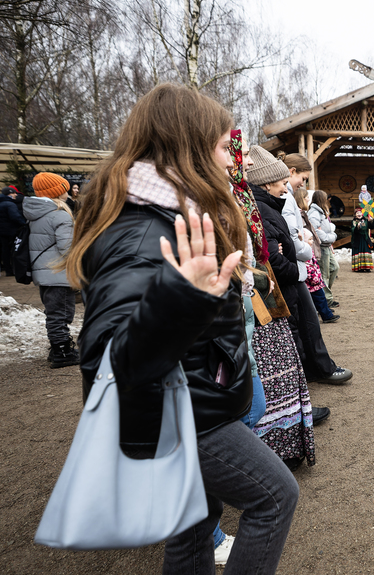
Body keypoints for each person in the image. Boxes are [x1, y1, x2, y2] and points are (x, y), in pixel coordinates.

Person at [66, 83, 299, 573]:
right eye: (221, 146)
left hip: (191, 399)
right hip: (175, 414)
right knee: (274, 497)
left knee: (195, 523)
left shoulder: (172, 213)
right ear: (188, 146)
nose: (232, 160)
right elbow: (109, 357)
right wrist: (182, 300)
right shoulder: (141, 230)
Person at [247, 147, 352, 385]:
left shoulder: (271, 202)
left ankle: (313, 372)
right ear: (268, 182)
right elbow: (282, 248)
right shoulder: (270, 206)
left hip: (291, 270)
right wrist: (300, 264)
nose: (288, 188)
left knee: (305, 324)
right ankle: (307, 378)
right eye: (287, 181)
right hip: (290, 274)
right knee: (298, 328)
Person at [24, 172, 79, 368]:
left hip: (44, 272)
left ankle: (57, 347)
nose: (68, 191)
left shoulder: (35, 213)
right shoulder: (59, 215)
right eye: (64, 188)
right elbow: (68, 249)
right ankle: (62, 351)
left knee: (54, 312)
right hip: (58, 273)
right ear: (57, 192)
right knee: (60, 314)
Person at [310, 190, 340, 308]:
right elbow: (316, 231)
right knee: (324, 274)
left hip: (327, 245)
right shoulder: (314, 213)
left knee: (334, 268)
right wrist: (330, 237)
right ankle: (326, 300)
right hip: (322, 246)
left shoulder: (321, 212)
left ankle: (326, 295)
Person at [1, 186, 26, 277]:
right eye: (14, 193)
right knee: (13, 250)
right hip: (11, 231)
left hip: (2, 231)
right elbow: (15, 217)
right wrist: (23, 224)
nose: (16, 194)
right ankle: (14, 269)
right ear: (9, 194)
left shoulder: (2, 203)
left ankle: (8, 269)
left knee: (5, 250)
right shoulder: (10, 204)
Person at [350, 208, 374, 272]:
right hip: (357, 240)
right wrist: (357, 227)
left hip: (365, 238)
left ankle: (367, 267)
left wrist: (370, 221)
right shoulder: (354, 222)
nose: (359, 214)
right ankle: (359, 267)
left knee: (366, 251)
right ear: (355, 215)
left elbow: (371, 227)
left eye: (360, 213)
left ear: (362, 214)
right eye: (357, 213)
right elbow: (353, 231)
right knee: (358, 252)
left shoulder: (365, 220)